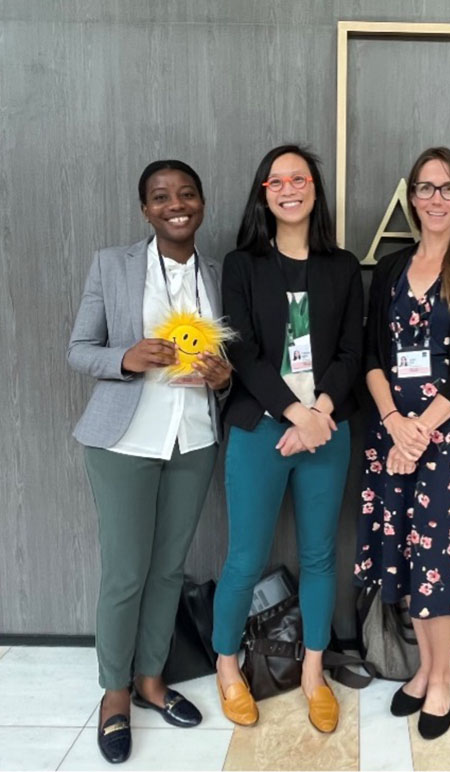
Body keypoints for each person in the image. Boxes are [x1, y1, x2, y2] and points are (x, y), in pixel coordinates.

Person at [67, 160, 231, 764]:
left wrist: (222, 378)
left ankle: (151, 681)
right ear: (145, 210)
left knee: (168, 571)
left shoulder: (219, 273)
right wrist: (128, 358)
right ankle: (114, 694)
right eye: (161, 197)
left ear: (202, 203)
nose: (176, 204)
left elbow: (231, 365)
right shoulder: (113, 264)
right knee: (126, 573)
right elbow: (78, 350)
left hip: (193, 441)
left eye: (187, 193)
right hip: (123, 443)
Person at [354, 147, 450, 740]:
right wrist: (394, 421)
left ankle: (439, 678)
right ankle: (425, 669)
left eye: (447, 188)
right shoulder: (390, 269)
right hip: (390, 433)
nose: (435, 198)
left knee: (439, 561)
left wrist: (421, 431)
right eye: (425, 187)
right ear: (411, 197)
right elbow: (371, 356)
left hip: (448, 437)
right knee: (410, 559)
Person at [213, 145, 363, 733]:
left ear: (314, 191)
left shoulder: (343, 266)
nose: (289, 188)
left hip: (329, 427)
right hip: (262, 428)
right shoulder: (242, 264)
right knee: (245, 558)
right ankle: (228, 668)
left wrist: (319, 412)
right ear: (263, 193)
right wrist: (294, 414)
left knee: (322, 556)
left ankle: (313, 673)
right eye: (276, 180)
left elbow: (353, 349)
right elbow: (241, 351)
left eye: (299, 178)